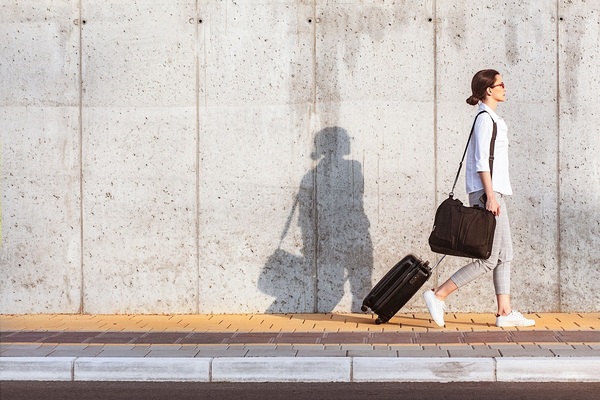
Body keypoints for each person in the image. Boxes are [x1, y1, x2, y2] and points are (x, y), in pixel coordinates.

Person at [423, 69, 535, 328]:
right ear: (489, 90)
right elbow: (481, 161)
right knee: (488, 259)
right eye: (501, 84)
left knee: (505, 255)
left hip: (493, 193)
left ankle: (504, 312)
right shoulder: (485, 119)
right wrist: (490, 196)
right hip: (488, 193)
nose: (505, 88)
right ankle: (438, 294)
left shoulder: (491, 118)